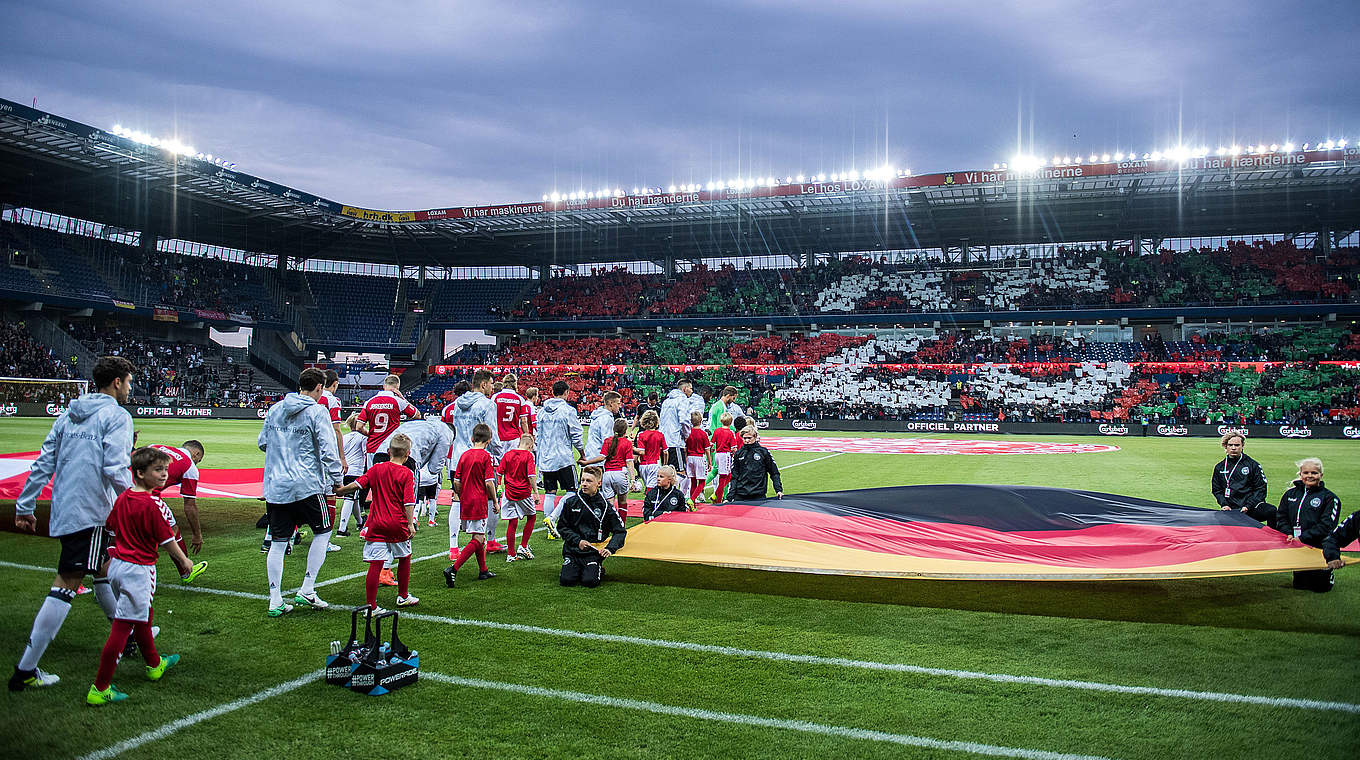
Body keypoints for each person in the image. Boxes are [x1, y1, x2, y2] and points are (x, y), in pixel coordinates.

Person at [10, 356, 136, 692]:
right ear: (117, 382)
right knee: (68, 579)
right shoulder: (117, 416)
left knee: (105, 569)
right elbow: (115, 468)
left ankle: (129, 637)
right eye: (128, 381)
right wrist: (136, 503)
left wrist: (25, 504)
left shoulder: (68, 415)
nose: (130, 387)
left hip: (66, 507)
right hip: (92, 510)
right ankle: (25, 669)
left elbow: (44, 461)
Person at [86, 447, 206, 706]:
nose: (164, 475)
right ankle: (100, 687)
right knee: (122, 627)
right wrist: (185, 561)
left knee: (142, 617)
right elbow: (167, 539)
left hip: (118, 565)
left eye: (165, 470)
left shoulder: (124, 498)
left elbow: (111, 526)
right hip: (138, 569)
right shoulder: (154, 504)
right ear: (139, 473)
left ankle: (154, 663)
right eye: (158, 470)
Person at [258, 368, 344, 617]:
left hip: (276, 486)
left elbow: (263, 442)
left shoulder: (275, 409)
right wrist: (336, 480)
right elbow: (328, 450)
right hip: (306, 484)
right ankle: (307, 587)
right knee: (323, 532)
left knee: (278, 542)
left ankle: (275, 599)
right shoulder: (318, 411)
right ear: (319, 388)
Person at [336, 434, 419, 611]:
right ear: (407, 454)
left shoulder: (376, 469)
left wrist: (341, 490)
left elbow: (358, 484)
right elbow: (408, 502)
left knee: (376, 564)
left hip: (376, 523)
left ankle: (371, 606)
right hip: (397, 524)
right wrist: (410, 524)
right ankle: (403, 596)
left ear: (389, 451)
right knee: (404, 558)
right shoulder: (406, 473)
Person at [448, 370, 506, 555]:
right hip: (479, 458)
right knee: (490, 499)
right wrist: (501, 454)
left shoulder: (457, 403)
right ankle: (489, 540)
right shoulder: (487, 404)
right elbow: (492, 434)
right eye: (490, 383)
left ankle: (453, 547)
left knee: (456, 501)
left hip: (458, 457)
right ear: (483, 385)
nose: (491, 387)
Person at [1274, 457, 1341, 593]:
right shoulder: (1290, 494)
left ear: (1321, 475)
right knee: (1300, 585)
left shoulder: (1329, 498)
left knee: (1321, 588)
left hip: (1319, 545)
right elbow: (1281, 516)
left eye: (1314, 473)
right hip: (1297, 545)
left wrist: (1303, 537)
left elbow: (1326, 525)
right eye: (1306, 473)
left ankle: (1328, 572)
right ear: (1300, 474)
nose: (1310, 476)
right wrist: (1288, 533)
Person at [443, 423, 498, 587]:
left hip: (465, 500)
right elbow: (489, 482)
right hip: (479, 501)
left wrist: (461, 494)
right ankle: (453, 568)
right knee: (479, 537)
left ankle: (483, 570)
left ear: (472, 438)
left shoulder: (464, 455)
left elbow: (456, 481)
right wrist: (494, 500)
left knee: (477, 534)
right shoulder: (486, 457)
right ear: (489, 440)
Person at [557, 467, 626, 588]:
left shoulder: (605, 507)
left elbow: (620, 531)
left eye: (588, 481)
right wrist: (578, 541)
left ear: (599, 483)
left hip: (593, 552)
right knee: (566, 580)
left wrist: (610, 548)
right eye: (582, 480)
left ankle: (596, 567)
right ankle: (575, 566)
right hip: (572, 550)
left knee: (590, 581)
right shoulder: (571, 502)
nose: (584, 484)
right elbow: (562, 527)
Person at [538, 380, 584, 538]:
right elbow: (576, 434)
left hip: (546, 458)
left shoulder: (542, 411)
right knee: (572, 491)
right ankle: (553, 518)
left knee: (550, 492)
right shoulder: (568, 410)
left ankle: (549, 529)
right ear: (566, 393)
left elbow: (539, 434)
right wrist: (582, 453)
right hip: (563, 457)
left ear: (552, 392)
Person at [148, 440, 206, 554]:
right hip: (145, 495)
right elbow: (190, 506)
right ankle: (186, 569)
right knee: (173, 530)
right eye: (198, 461)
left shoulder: (156, 446)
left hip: (118, 487)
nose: (196, 463)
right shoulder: (189, 465)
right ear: (196, 454)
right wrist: (197, 535)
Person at [582, 418, 639, 521]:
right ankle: (621, 525)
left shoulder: (608, 441)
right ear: (625, 430)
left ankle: (607, 525)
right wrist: (633, 480)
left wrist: (586, 462)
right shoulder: (627, 443)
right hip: (620, 474)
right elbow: (629, 462)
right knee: (622, 502)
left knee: (609, 504)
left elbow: (601, 457)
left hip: (607, 475)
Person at [1210, 432, 1272, 523]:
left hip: (1251, 507)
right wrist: (1224, 504)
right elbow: (1216, 490)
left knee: (1271, 511)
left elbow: (1261, 488)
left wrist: (1248, 506)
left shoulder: (1252, 465)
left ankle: (1273, 536)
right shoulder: (1219, 467)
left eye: (1237, 445)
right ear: (1225, 447)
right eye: (1230, 445)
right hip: (1230, 509)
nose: (1234, 448)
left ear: (1242, 446)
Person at [498, 432, 539, 562]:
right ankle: (523, 546)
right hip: (523, 493)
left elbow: (499, 472)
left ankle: (511, 554)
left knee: (513, 521)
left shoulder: (507, 455)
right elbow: (531, 475)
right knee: (532, 517)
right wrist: (536, 492)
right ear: (530, 445)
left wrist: (499, 486)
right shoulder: (529, 456)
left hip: (509, 493)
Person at [726, 426, 784, 502]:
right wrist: (729, 497)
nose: (747, 440)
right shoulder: (738, 454)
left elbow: (774, 473)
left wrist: (778, 490)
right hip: (740, 495)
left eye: (749, 438)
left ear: (755, 437)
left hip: (758, 495)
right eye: (744, 438)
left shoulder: (764, 452)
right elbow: (734, 477)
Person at [335, 415, 368, 537]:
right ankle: (342, 529)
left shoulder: (344, 437)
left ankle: (359, 522)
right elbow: (365, 453)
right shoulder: (363, 438)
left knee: (354, 498)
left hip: (343, 470)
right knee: (349, 499)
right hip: (355, 471)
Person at [659, 381, 694, 470]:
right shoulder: (683, 400)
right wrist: (687, 435)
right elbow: (684, 420)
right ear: (684, 389)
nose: (692, 391)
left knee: (666, 473)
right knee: (679, 472)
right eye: (690, 388)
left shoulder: (666, 401)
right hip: (675, 441)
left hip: (664, 441)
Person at [584, 390, 622, 465]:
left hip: (590, 457)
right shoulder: (607, 419)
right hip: (599, 461)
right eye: (618, 403)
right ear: (611, 403)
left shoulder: (598, 415)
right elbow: (608, 443)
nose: (619, 406)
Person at [710, 412, 740, 502]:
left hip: (717, 455)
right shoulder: (730, 433)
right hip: (725, 455)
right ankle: (718, 499)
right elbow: (734, 448)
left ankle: (716, 494)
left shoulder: (717, 431)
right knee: (723, 478)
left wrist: (712, 449)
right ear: (731, 422)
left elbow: (711, 443)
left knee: (728, 475)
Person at [634, 410, 666, 490]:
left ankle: (649, 501)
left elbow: (640, 451)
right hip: (654, 464)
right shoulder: (660, 435)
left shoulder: (641, 434)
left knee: (649, 488)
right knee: (651, 489)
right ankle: (650, 502)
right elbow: (665, 452)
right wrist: (665, 464)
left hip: (643, 465)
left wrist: (633, 448)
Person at [684, 410, 710, 502]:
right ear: (700, 421)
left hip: (690, 457)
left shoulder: (688, 433)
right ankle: (692, 499)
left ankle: (692, 503)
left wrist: (686, 459)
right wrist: (709, 463)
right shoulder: (703, 434)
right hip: (699, 457)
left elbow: (685, 448)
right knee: (702, 482)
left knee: (693, 481)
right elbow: (707, 449)